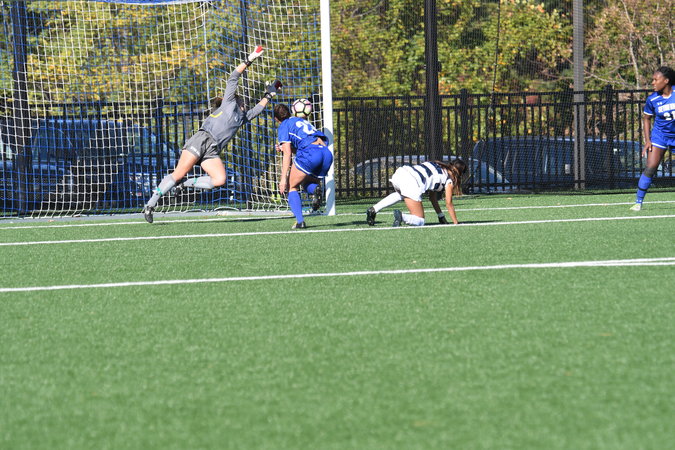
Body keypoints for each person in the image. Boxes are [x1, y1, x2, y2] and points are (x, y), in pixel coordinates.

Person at [142, 45, 281, 223]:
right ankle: (150, 205)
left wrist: (269, 95)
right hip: (202, 140)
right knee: (178, 173)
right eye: (243, 100)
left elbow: (258, 110)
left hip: (212, 150)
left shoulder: (242, 117)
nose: (245, 102)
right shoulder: (229, 102)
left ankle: (184, 185)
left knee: (220, 179)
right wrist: (251, 58)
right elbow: (234, 77)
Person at [274, 103, 333, 229]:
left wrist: (283, 178)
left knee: (291, 186)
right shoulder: (301, 121)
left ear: (276, 119)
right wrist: (286, 148)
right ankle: (315, 190)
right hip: (326, 153)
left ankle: (300, 222)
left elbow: (287, 153)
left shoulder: (283, 125)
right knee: (305, 182)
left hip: (311, 153)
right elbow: (303, 143)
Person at [366, 158, 467, 227]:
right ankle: (402, 217)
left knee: (401, 195)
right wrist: (456, 223)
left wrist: (441, 216)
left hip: (401, 172)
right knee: (420, 221)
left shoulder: (437, 165)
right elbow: (449, 203)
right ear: (459, 173)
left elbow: (432, 198)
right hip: (411, 181)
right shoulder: (449, 180)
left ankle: (373, 209)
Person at [630, 66, 675, 211]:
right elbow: (646, 118)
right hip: (660, 136)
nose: (653, 83)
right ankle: (638, 202)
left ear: (666, 81)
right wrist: (648, 140)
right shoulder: (652, 99)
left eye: (656, 80)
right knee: (650, 167)